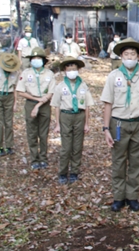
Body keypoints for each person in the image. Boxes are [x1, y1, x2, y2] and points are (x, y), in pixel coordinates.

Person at [100, 37, 139, 212]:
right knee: (118, 161)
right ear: (121, 56)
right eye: (126, 54)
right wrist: (105, 129)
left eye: (132, 54)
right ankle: (119, 197)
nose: (129, 57)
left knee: (136, 161)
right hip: (118, 124)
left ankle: (132, 196)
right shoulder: (114, 76)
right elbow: (107, 104)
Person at [51, 57, 93, 185]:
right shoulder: (60, 86)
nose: (72, 71)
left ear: (78, 70)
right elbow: (56, 106)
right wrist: (57, 124)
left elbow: (87, 105)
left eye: (74, 69)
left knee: (77, 146)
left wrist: (87, 123)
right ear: (65, 70)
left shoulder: (83, 85)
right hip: (66, 116)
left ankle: (74, 171)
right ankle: (63, 172)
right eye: (69, 68)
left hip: (79, 116)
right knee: (66, 147)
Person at [16, 47, 55, 170]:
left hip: (45, 104)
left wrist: (40, 103)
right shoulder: (26, 73)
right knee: (32, 132)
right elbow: (20, 91)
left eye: (39, 58)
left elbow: (51, 92)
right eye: (34, 58)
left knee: (43, 133)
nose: (36, 60)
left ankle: (43, 158)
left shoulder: (49, 74)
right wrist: (37, 100)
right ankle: (34, 158)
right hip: (30, 103)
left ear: (43, 60)